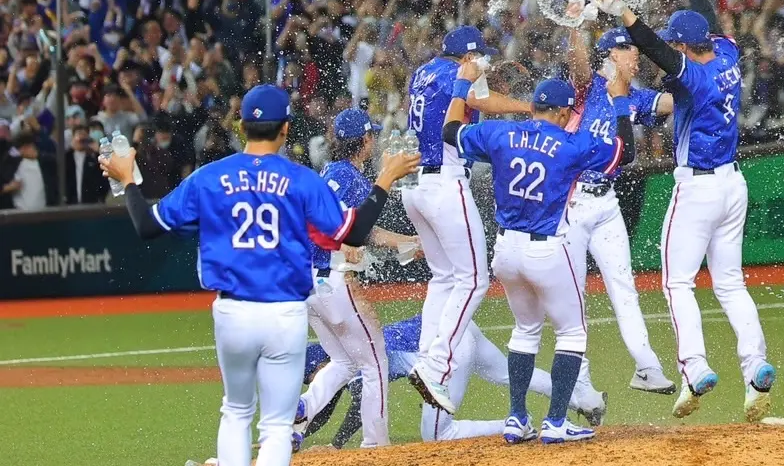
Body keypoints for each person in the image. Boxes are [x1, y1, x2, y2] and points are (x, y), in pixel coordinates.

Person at [99, 84, 419, 466]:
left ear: (242, 127)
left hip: (232, 313)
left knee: (235, 412)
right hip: (285, 313)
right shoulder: (301, 180)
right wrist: (384, 180)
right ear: (285, 128)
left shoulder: (209, 177)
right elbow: (351, 232)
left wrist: (129, 179)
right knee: (276, 426)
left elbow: (147, 227)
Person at [595, 0, 775, 423]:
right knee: (731, 283)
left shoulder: (692, 75)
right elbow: (711, 25)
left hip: (697, 188)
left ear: (684, 45)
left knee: (678, 282)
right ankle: (756, 365)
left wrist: (625, 13)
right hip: (734, 185)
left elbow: (655, 48)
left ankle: (695, 367)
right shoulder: (728, 56)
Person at [445, 68, 634, 444]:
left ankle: (516, 417)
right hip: (546, 248)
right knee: (572, 333)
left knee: (525, 330)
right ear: (563, 113)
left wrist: (461, 87)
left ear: (533, 107)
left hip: (505, 250)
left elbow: (450, 133)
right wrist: (621, 100)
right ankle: (557, 422)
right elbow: (623, 152)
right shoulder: (571, 144)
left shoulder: (500, 133)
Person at [401, 25, 530, 415]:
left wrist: (493, 82)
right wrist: (530, 110)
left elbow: (479, 96)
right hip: (445, 181)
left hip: (416, 186)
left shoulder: (424, 71)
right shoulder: (454, 75)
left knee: (444, 278)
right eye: (480, 56)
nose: (483, 61)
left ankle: (425, 356)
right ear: (468, 56)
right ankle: (435, 363)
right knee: (474, 280)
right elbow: (483, 103)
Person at [293, 108, 422, 449]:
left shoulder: (330, 172)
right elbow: (358, 234)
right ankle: (375, 445)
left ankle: (304, 407)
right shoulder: (351, 178)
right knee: (375, 363)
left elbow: (361, 229)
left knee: (344, 361)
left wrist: (406, 242)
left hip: (305, 281)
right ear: (365, 141)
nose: (374, 140)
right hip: (332, 279)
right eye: (372, 136)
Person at [296, 315, 607, 448]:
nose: (314, 379)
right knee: (506, 375)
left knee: (438, 436)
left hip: (450, 348)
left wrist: (335, 446)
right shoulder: (355, 351)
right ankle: (585, 398)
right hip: (461, 328)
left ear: (319, 364)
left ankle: (514, 424)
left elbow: (348, 409)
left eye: (311, 375)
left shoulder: (354, 360)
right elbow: (329, 403)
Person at [564, 24, 675, 395]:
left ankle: (646, 365)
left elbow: (671, 103)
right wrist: (575, 27)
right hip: (573, 202)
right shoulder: (589, 87)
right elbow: (578, 66)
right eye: (631, 51)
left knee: (624, 288)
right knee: (572, 295)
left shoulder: (634, 97)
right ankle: (579, 380)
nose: (637, 57)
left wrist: (694, 74)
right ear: (613, 54)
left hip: (606, 202)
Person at [65, 124, 107, 204]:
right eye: (78, 134)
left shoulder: (93, 158)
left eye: (84, 135)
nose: (81, 139)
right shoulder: (67, 157)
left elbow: (102, 180)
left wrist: (97, 151)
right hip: (70, 203)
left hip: (90, 204)